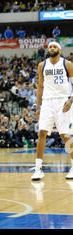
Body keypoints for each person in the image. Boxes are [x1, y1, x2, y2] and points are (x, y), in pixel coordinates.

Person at [31, 41, 73, 180]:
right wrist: (38, 106)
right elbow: (40, 87)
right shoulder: (42, 65)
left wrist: (71, 100)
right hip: (47, 102)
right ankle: (38, 169)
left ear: (59, 50)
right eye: (50, 47)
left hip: (63, 101)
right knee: (42, 133)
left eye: (54, 46)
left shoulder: (67, 64)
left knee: (64, 135)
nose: (52, 48)